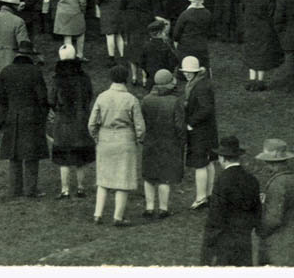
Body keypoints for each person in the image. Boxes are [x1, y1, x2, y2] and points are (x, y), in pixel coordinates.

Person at [88, 63, 146, 226]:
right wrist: (138, 139)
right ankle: (118, 217)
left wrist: (97, 137)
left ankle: (97, 214)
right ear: (126, 79)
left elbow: (92, 123)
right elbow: (140, 126)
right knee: (123, 179)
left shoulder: (102, 97)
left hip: (105, 139)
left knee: (103, 178)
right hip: (125, 140)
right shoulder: (131, 99)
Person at [0, 38, 50, 199]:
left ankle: (14, 190)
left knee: (14, 155)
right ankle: (30, 190)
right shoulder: (35, 72)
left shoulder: (6, 71)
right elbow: (42, 97)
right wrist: (43, 115)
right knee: (31, 155)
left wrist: (2, 118)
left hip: (12, 115)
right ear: (30, 56)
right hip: (31, 117)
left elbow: (0, 98)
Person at [199, 135, 261, 267]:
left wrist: (208, 247)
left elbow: (216, 215)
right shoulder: (251, 179)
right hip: (244, 240)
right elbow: (257, 212)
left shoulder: (222, 181)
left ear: (222, 158)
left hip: (224, 241)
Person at [48, 42, 95, 199]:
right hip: (81, 120)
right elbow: (89, 96)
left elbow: (51, 100)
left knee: (63, 158)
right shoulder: (84, 78)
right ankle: (81, 188)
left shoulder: (56, 79)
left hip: (63, 121)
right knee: (81, 158)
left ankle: (65, 190)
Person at [139, 67, 185, 218]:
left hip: (150, 142)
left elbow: (142, 122)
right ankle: (164, 209)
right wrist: (182, 141)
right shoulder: (175, 101)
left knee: (149, 175)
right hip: (169, 142)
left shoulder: (146, 100)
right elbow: (179, 125)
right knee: (165, 176)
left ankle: (149, 207)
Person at [255, 139, 294, 265]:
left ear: (271, 162)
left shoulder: (277, 183)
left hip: (277, 245)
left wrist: (260, 231)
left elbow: (273, 219)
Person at [181, 54, 218, 209]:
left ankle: (201, 197)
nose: (187, 73)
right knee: (207, 162)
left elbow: (206, 109)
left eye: (190, 71)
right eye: (185, 71)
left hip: (201, 131)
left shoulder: (200, 87)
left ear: (196, 71)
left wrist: (191, 122)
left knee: (200, 164)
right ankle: (208, 195)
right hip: (206, 130)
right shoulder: (198, 83)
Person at [239, 0, 281, 92]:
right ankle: (260, 81)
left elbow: (242, 10)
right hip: (264, 28)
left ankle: (252, 80)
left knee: (251, 51)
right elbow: (271, 13)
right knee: (262, 52)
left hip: (250, 27)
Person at [173, 0, 214, 70]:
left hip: (186, 48)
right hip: (201, 47)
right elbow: (209, 30)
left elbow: (176, 34)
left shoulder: (185, 14)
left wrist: (176, 42)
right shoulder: (208, 13)